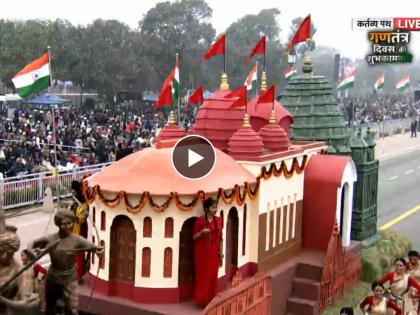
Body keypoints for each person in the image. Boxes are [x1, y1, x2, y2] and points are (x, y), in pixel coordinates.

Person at [28, 210, 104, 315]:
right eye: (63, 224)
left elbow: (95, 248)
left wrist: (100, 251)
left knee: (72, 310)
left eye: (70, 223)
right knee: (50, 308)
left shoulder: (77, 240)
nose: (67, 226)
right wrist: (31, 251)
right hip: (53, 277)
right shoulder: (51, 238)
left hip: (70, 279)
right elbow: (32, 243)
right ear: (58, 224)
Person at [192, 197, 223, 306]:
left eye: (216, 207)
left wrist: (221, 254)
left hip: (214, 253)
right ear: (206, 209)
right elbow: (194, 238)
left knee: (213, 277)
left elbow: (220, 238)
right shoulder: (199, 221)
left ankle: (210, 300)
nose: (215, 209)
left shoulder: (219, 220)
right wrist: (201, 233)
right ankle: (202, 301)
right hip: (202, 254)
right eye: (213, 207)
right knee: (203, 277)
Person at [69, 180, 89, 282]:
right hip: (71, 231)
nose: (72, 194)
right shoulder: (72, 204)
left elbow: (81, 219)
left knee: (79, 254)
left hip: (80, 231)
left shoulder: (83, 205)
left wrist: (74, 215)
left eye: (74, 192)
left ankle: (79, 275)